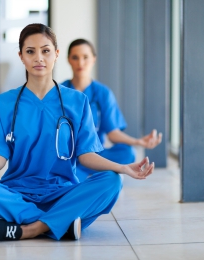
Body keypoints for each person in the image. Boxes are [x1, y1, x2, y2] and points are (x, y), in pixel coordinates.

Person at [0, 24, 154, 242]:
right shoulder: (4, 103)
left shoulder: (77, 102)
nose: (38, 58)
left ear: (56, 54)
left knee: (112, 182)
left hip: (62, 193)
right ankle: (61, 224)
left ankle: (28, 228)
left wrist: (123, 168)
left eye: (46, 50)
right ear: (21, 56)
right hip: (18, 193)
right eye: (30, 51)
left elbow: (86, 155)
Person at [62, 39, 162, 181]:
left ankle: (89, 170)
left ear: (94, 59)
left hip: (95, 155)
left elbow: (113, 133)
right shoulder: (60, 92)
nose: (80, 63)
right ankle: (95, 171)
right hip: (68, 156)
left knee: (127, 153)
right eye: (75, 57)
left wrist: (138, 142)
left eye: (85, 57)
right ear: (68, 60)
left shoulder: (103, 93)